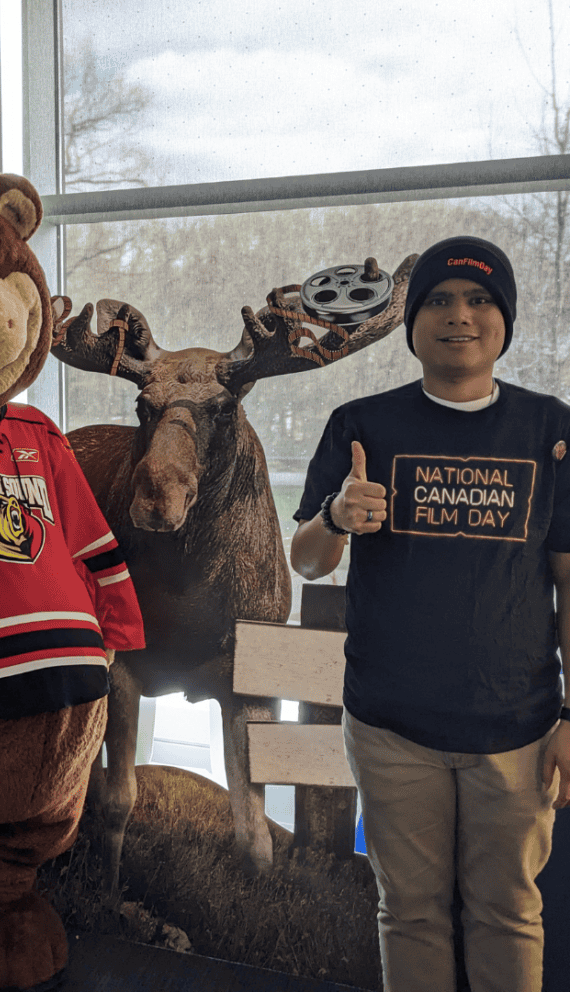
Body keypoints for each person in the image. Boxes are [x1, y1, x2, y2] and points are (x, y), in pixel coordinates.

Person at [290, 235, 570, 992]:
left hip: (517, 727)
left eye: (480, 299)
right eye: (440, 299)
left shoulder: (549, 430)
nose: (460, 315)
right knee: (408, 911)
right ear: (412, 322)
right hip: (390, 728)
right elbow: (307, 560)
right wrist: (338, 517)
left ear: (505, 320)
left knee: (508, 911)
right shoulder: (362, 424)